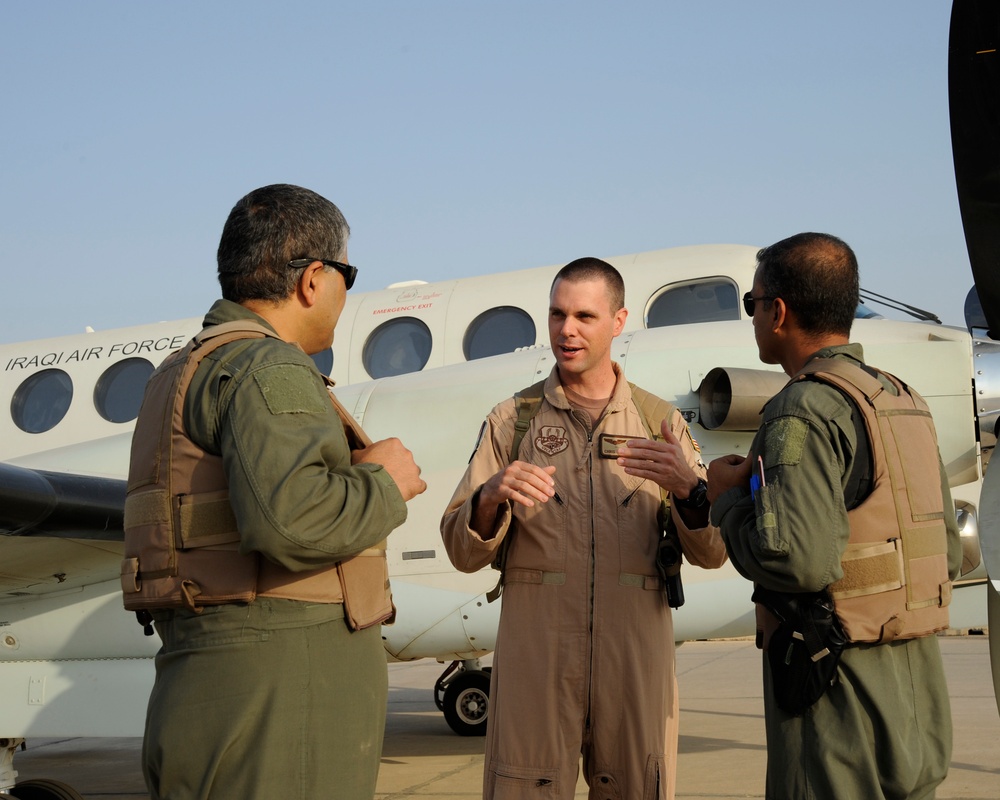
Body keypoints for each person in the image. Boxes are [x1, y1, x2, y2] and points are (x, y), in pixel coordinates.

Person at [121, 184, 426, 799]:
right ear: (313, 278)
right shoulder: (270, 366)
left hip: (216, 678)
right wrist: (384, 482)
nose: (345, 292)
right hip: (284, 692)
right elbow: (292, 522)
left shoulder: (181, 371)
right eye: (346, 273)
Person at [441, 257, 727, 799]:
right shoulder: (513, 421)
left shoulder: (659, 423)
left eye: (584, 316)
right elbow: (462, 550)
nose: (566, 330)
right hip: (537, 661)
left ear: (618, 322)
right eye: (556, 314)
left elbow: (713, 552)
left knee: (638, 788)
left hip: (633, 660)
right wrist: (490, 495)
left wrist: (690, 490)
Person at [707, 232, 961, 799]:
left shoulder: (800, 408)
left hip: (836, 695)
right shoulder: (902, 399)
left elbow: (795, 560)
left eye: (753, 305)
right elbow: (945, 547)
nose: (752, 318)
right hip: (917, 694)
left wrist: (725, 500)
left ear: (778, 311)